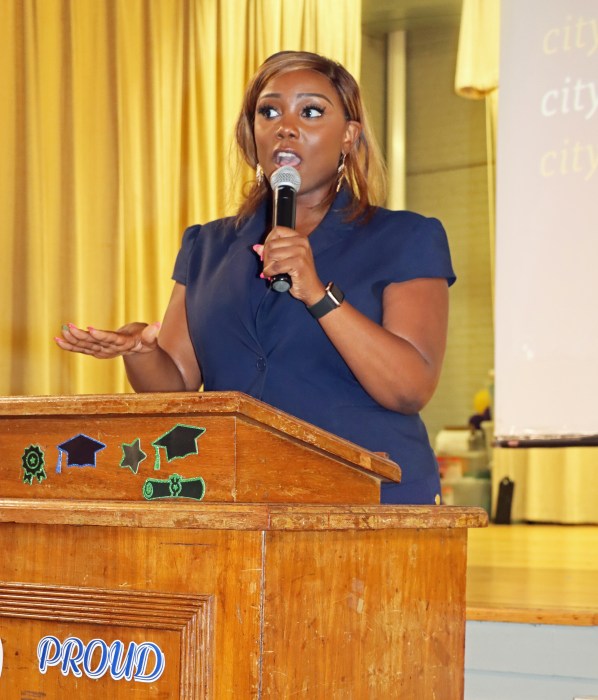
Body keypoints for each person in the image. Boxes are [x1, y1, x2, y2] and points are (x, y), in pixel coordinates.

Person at [56, 50, 455, 505]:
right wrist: (141, 351)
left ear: (348, 136)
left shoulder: (405, 237)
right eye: (269, 111)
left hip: (368, 497)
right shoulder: (206, 246)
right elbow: (178, 386)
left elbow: (409, 388)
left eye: (311, 111)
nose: (286, 126)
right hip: (239, 496)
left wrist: (318, 294)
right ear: (252, 135)